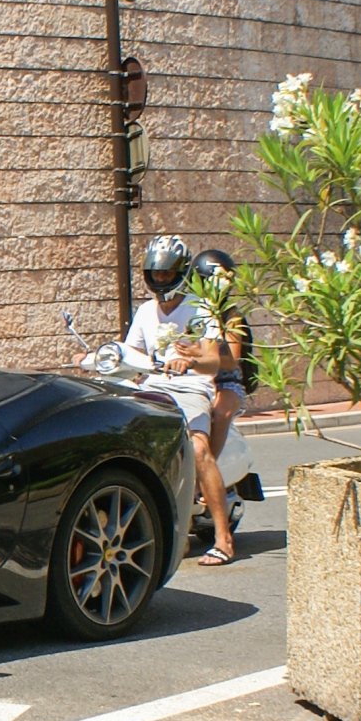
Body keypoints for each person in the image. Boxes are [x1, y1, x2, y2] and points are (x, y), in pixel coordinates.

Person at [122, 236, 238, 566]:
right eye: (155, 274)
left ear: (182, 272)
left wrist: (190, 362)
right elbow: (134, 354)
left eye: (166, 274)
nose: (160, 280)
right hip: (154, 386)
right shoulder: (145, 311)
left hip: (190, 388)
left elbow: (214, 361)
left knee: (199, 449)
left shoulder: (200, 309)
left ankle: (222, 537)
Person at [188, 249, 255, 464]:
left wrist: (200, 355)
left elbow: (232, 360)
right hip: (194, 380)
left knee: (220, 413)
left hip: (227, 382)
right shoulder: (191, 312)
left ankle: (208, 468)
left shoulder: (231, 316)